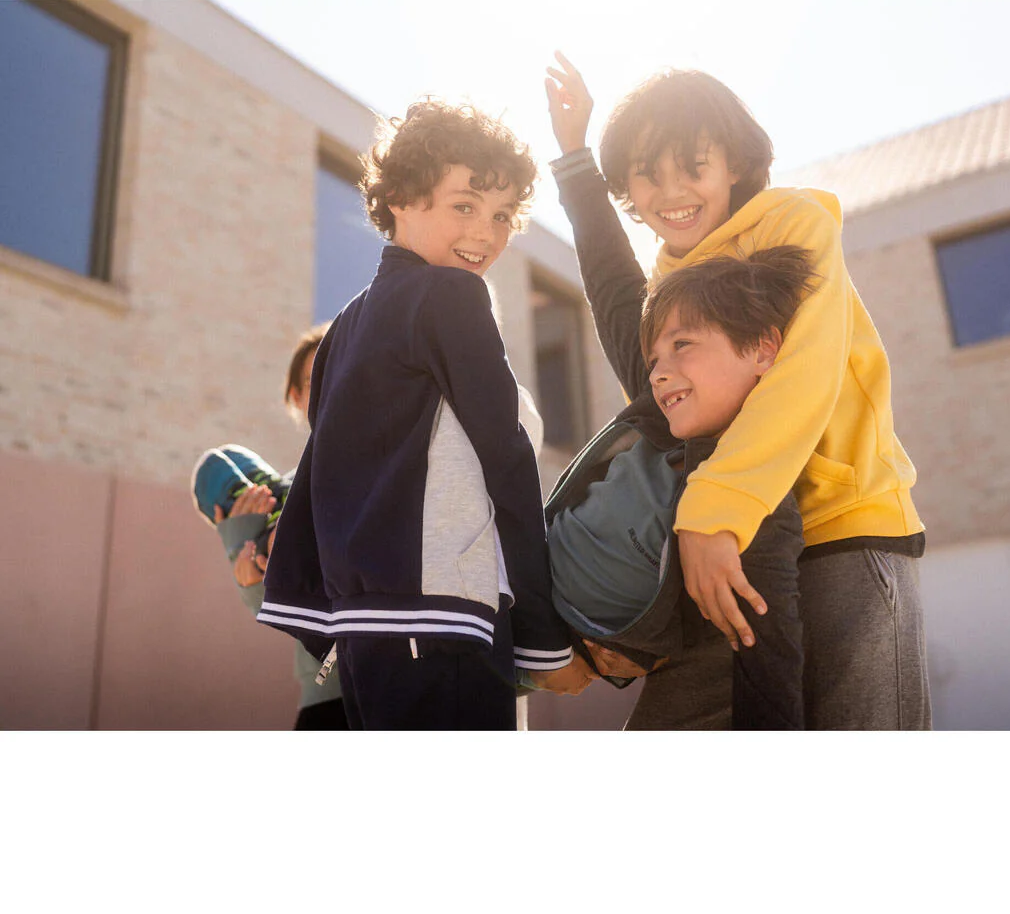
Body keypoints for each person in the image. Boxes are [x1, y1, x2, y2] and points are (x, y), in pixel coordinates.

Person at [545, 53, 932, 730]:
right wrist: (576, 159)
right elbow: (617, 303)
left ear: (733, 164)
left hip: (840, 529)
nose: (672, 190)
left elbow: (802, 374)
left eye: (692, 166)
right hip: (737, 543)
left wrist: (713, 509)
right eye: (648, 173)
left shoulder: (792, 224)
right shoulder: (670, 287)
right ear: (627, 186)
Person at [258, 100, 592, 730]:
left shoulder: (344, 327)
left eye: (502, 215)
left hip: (364, 632)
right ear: (401, 199)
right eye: (465, 206)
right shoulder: (452, 295)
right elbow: (508, 460)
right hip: (443, 625)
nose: (486, 234)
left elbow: (322, 478)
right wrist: (544, 639)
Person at [542, 249, 814, 730]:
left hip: (576, 640)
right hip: (514, 581)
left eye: (683, 344)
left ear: (762, 349)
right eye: (653, 360)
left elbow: (769, 659)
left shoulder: (756, 503)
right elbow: (612, 290)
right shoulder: (658, 413)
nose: (657, 372)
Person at [189, 324, 349, 730]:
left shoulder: (390, 460)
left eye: (338, 369)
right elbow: (272, 605)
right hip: (328, 690)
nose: (328, 385)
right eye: (314, 379)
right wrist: (244, 551)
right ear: (295, 397)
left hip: (400, 673)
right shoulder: (285, 490)